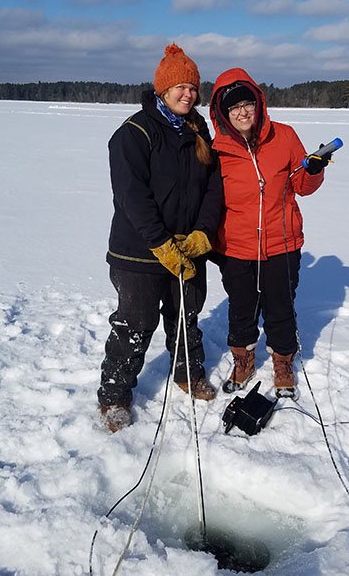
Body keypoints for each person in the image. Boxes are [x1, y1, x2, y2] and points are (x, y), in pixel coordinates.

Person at [98, 44, 223, 432]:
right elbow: (132, 197)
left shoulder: (197, 129)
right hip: (138, 252)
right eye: (181, 87)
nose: (188, 94)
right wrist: (161, 244)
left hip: (187, 249)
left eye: (193, 88)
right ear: (162, 90)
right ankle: (114, 396)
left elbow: (213, 188)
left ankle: (187, 372)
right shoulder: (134, 133)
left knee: (185, 314)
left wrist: (203, 233)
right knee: (136, 322)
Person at [209, 68, 331, 399]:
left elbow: (301, 186)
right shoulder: (215, 150)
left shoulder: (285, 136)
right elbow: (208, 201)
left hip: (282, 243)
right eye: (234, 107)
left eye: (247, 103)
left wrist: (314, 170)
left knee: (281, 308)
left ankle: (282, 362)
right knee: (242, 309)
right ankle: (243, 360)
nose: (242, 112)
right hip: (236, 247)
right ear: (222, 113)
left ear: (259, 103)